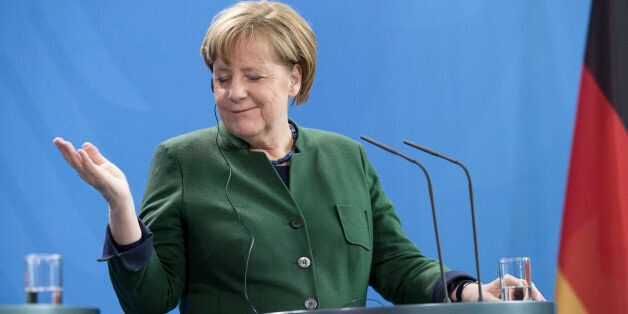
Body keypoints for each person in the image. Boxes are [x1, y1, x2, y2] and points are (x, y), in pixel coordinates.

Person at [53, 1, 545, 313]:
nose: (234, 92)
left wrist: (468, 291)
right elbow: (149, 300)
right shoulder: (182, 160)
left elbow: (396, 266)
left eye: (254, 76)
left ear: (295, 78)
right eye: (222, 78)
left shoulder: (345, 157)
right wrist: (121, 208)